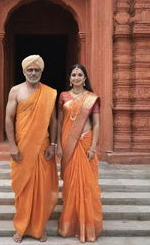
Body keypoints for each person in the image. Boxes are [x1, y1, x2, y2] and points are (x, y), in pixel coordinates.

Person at [5, 55, 58, 243]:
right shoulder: (15, 91)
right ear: (24, 71)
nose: (33, 73)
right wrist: (12, 146)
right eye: (30, 70)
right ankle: (21, 228)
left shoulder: (49, 92)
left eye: (37, 70)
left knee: (41, 188)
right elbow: (9, 119)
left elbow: (53, 121)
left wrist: (53, 144)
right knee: (23, 188)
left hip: (42, 147)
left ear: (41, 72)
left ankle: (38, 228)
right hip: (22, 147)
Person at [56, 64, 103, 243]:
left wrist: (93, 147)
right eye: (73, 74)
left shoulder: (92, 98)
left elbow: (97, 124)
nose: (76, 77)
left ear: (85, 78)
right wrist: (59, 145)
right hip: (68, 143)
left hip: (85, 142)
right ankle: (71, 224)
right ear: (70, 78)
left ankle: (87, 225)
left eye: (79, 74)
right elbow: (60, 123)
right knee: (71, 185)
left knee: (86, 185)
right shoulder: (63, 96)